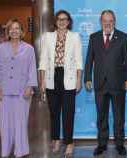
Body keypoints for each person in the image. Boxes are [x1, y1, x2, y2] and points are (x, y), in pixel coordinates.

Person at [84, 10, 127, 156]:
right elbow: (89, 60)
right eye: (105, 21)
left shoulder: (123, 37)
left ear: (114, 22)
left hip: (118, 83)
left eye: (110, 21)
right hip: (100, 83)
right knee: (101, 116)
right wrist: (87, 78)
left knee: (119, 116)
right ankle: (102, 144)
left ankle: (119, 144)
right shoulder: (94, 37)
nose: (107, 23)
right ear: (101, 22)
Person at [38, 10, 83, 157]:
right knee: (54, 112)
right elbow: (43, 60)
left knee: (68, 113)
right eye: (59, 19)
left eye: (65, 19)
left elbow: (78, 60)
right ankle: (56, 139)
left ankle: (69, 142)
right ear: (55, 21)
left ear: (69, 22)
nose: (62, 21)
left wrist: (78, 79)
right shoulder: (48, 37)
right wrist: (43, 81)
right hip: (52, 77)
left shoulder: (75, 37)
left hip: (68, 78)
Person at [0, 19, 37, 158]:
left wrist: (30, 86)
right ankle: (5, 151)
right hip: (4, 91)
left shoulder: (29, 49)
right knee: (4, 123)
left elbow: (32, 69)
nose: (14, 31)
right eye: (11, 29)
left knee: (20, 123)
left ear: (21, 31)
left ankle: (20, 151)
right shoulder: (1, 48)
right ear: (8, 32)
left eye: (17, 28)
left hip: (22, 91)